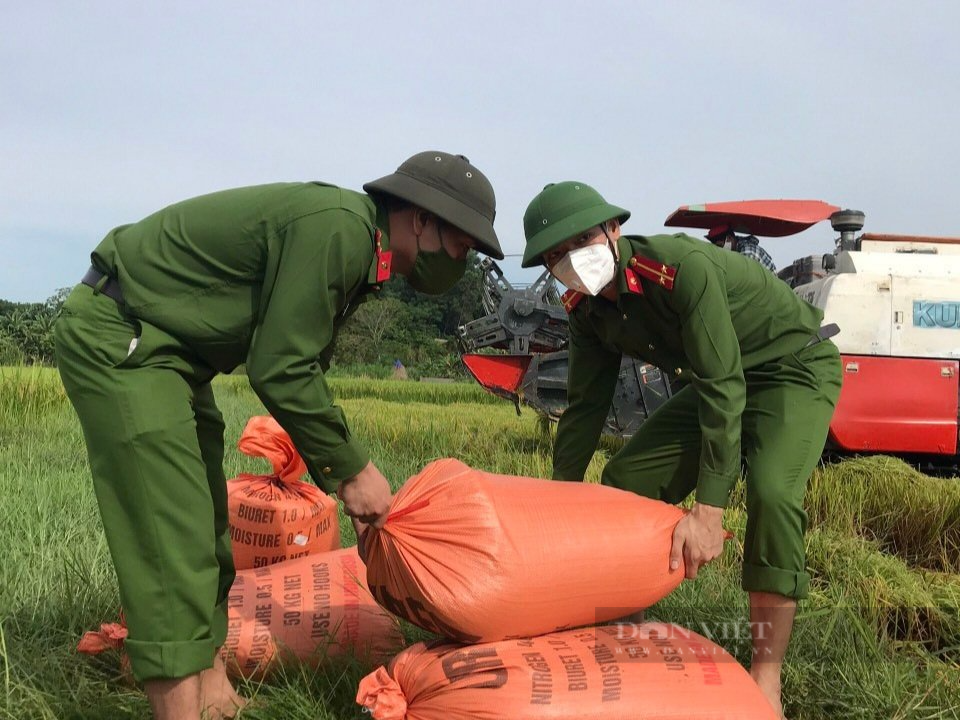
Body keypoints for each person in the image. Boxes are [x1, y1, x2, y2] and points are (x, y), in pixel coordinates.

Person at [54, 151, 502, 720]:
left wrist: (343, 480)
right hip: (124, 337)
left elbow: (303, 368)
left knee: (206, 521)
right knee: (169, 535)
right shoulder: (340, 229)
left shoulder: (361, 252)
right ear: (420, 218)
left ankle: (213, 688)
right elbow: (281, 367)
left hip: (174, 357)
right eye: (461, 245)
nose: (460, 260)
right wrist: (354, 471)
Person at [521, 181, 841, 719]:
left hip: (790, 369)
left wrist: (708, 510)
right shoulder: (585, 311)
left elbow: (723, 387)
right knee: (625, 483)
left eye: (579, 243)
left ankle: (767, 675)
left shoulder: (678, 271)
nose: (571, 263)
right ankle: (617, 622)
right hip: (722, 380)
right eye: (555, 257)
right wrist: (560, 507)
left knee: (772, 494)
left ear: (612, 230)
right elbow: (584, 410)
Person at [706, 224, 777, 272]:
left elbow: (742, 274)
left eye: (720, 246)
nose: (719, 250)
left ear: (729, 238)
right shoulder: (735, 252)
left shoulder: (748, 251)